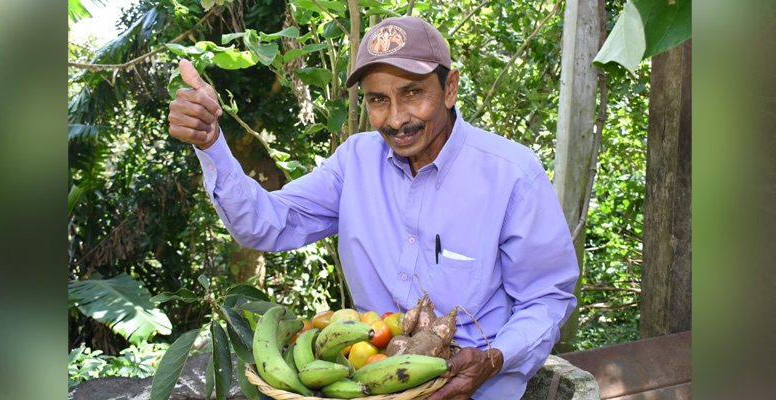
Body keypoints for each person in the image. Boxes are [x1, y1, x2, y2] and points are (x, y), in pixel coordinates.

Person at [169, 15, 579, 400]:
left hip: (476, 388)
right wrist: (211, 144)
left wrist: (493, 360)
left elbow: (547, 297)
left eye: (413, 93)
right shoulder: (355, 162)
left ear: (450, 87)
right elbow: (267, 224)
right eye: (378, 100)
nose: (396, 119)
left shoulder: (511, 174)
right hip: (371, 383)